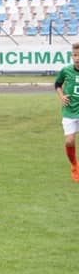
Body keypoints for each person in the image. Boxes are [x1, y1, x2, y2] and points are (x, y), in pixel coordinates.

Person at [54, 42, 79, 182]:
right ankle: (74, 165)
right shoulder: (66, 70)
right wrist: (62, 96)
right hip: (69, 111)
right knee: (69, 141)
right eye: (75, 55)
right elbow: (57, 84)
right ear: (72, 56)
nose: (77, 58)